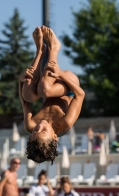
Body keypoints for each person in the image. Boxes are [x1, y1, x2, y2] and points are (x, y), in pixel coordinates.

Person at [19, 26, 85, 164]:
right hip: (68, 85)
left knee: (29, 96)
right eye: (43, 131)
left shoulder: (29, 125)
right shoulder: (64, 123)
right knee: (45, 90)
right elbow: (80, 94)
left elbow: (24, 102)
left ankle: (40, 52)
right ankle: (54, 47)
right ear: (55, 136)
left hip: (47, 82)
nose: (39, 127)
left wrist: (21, 80)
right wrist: (60, 73)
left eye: (34, 132)